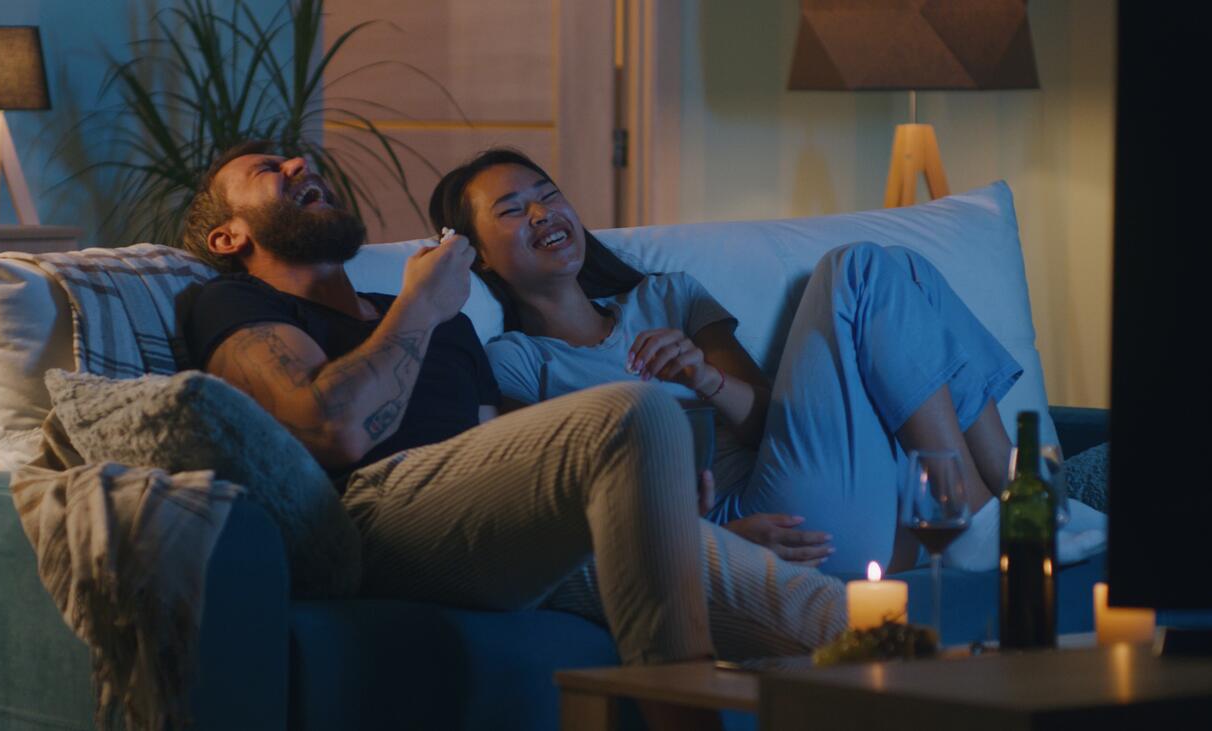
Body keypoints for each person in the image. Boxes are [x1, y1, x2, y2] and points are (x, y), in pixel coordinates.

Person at [176, 140, 846, 728]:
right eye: (269, 169)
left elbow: (507, 445)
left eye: (301, 159)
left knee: (841, 624)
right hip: (370, 513)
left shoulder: (435, 318)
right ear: (229, 238)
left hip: (484, 518)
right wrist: (420, 305)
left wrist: (650, 488)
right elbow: (335, 428)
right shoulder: (237, 303)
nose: (299, 163)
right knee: (636, 411)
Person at [428, 148, 1033, 576]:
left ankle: (1008, 496)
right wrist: (709, 542)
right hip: (758, 527)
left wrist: (706, 378)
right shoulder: (515, 363)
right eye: (510, 211)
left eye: (548, 194)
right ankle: (980, 517)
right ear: (476, 256)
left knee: (902, 266)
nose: (541, 214)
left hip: (830, 486)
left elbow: (771, 419)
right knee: (861, 268)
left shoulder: (668, 296)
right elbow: (538, 509)